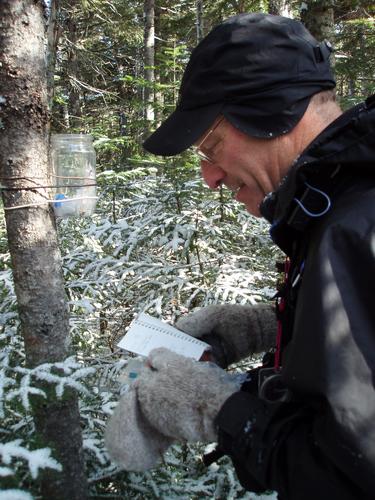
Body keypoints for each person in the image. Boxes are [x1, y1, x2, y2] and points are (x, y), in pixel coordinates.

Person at [105, 13, 375, 500]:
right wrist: (265, 327)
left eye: (210, 145)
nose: (209, 176)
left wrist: (220, 408)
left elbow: (350, 475)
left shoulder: (355, 228)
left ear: (272, 112)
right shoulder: (338, 206)